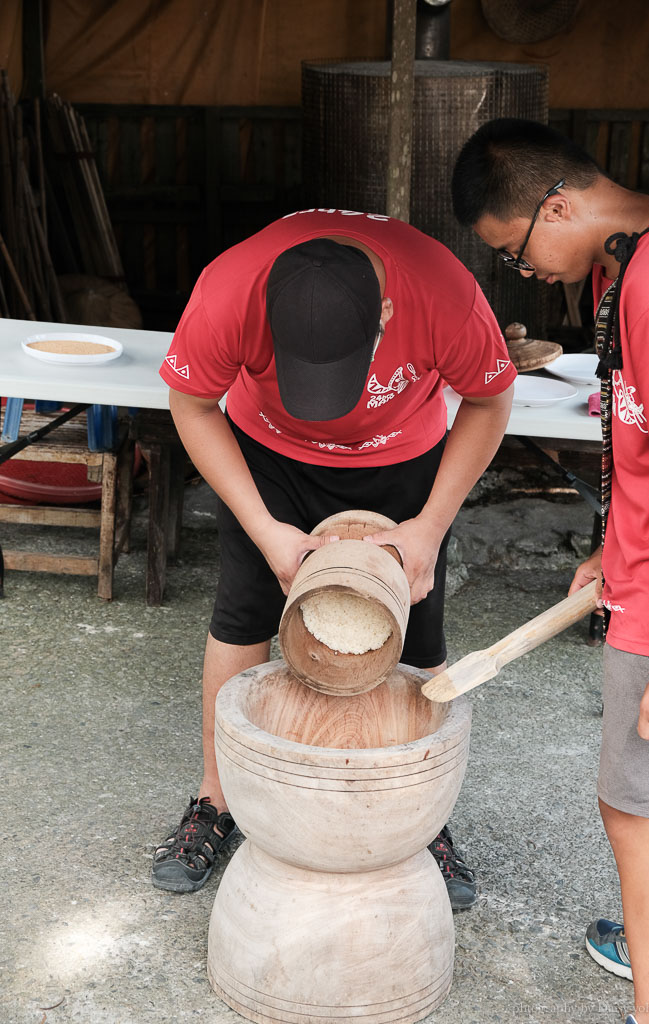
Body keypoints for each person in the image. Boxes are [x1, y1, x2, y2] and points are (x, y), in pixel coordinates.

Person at [151, 208, 516, 910]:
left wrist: (428, 527)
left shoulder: (442, 292)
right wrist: (264, 529)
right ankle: (215, 800)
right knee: (243, 612)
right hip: (269, 456)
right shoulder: (228, 289)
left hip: (402, 461)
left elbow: (489, 400)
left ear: (385, 312)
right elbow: (192, 402)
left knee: (421, 629)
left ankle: (426, 817)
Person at [451, 118, 649, 1024]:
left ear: (557, 205)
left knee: (632, 812)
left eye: (515, 252)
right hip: (644, 567)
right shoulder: (641, 252)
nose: (525, 274)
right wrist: (610, 541)